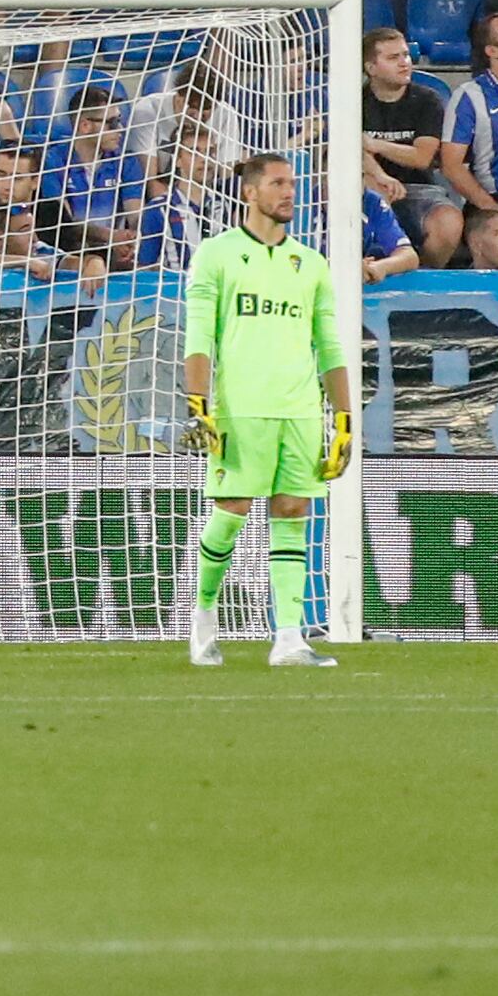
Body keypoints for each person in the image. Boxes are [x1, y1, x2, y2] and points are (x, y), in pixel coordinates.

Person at [178, 143, 349, 669]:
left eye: (292, 184)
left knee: (294, 509)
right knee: (233, 510)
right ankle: (203, 613)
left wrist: (342, 420)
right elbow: (199, 335)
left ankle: (289, 638)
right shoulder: (218, 254)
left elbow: (330, 346)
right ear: (249, 192)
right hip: (240, 407)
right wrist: (198, 403)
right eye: (277, 184)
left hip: (299, 409)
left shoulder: (312, 263)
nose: (289, 192)